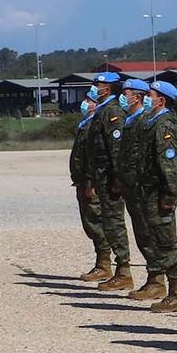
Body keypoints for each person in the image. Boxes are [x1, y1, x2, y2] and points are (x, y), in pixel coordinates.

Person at [87, 71, 137, 294]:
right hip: (103, 178)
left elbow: (116, 149)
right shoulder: (103, 110)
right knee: (108, 222)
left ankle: (124, 271)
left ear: (107, 89)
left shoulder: (113, 112)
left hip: (110, 180)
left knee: (115, 223)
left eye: (97, 85)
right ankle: (118, 270)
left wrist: (117, 178)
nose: (94, 88)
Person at [142, 80, 177, 313]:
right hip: (150, 193)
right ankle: (168, 289)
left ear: (161, 100)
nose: (146, 99)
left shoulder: (164, 125)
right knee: (159, 241)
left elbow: (168, 164)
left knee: (167, 242)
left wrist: (169, 195)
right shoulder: (153, 122)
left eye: (150, 95)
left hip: (160, 194)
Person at [116, 79, 164, 301]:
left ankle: (157, 280)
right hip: (131, 187)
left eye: (126, 94)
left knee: (148, 234)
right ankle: (153, 278)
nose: (123, 98)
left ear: (138, 96)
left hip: (141, 187)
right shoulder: (130, 120)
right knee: (141, 234)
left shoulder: (144, 120)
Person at [70, 94, 113, 281]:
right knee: (90, 224)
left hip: (90, 182)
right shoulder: (85, 123)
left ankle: (104, 264)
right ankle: (102, 263)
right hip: (82, 181)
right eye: (85, 99)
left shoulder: (93, 124)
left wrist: (90, 181)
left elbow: (93, 156)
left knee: (96, 223)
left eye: (90, 100)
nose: (85, 103)